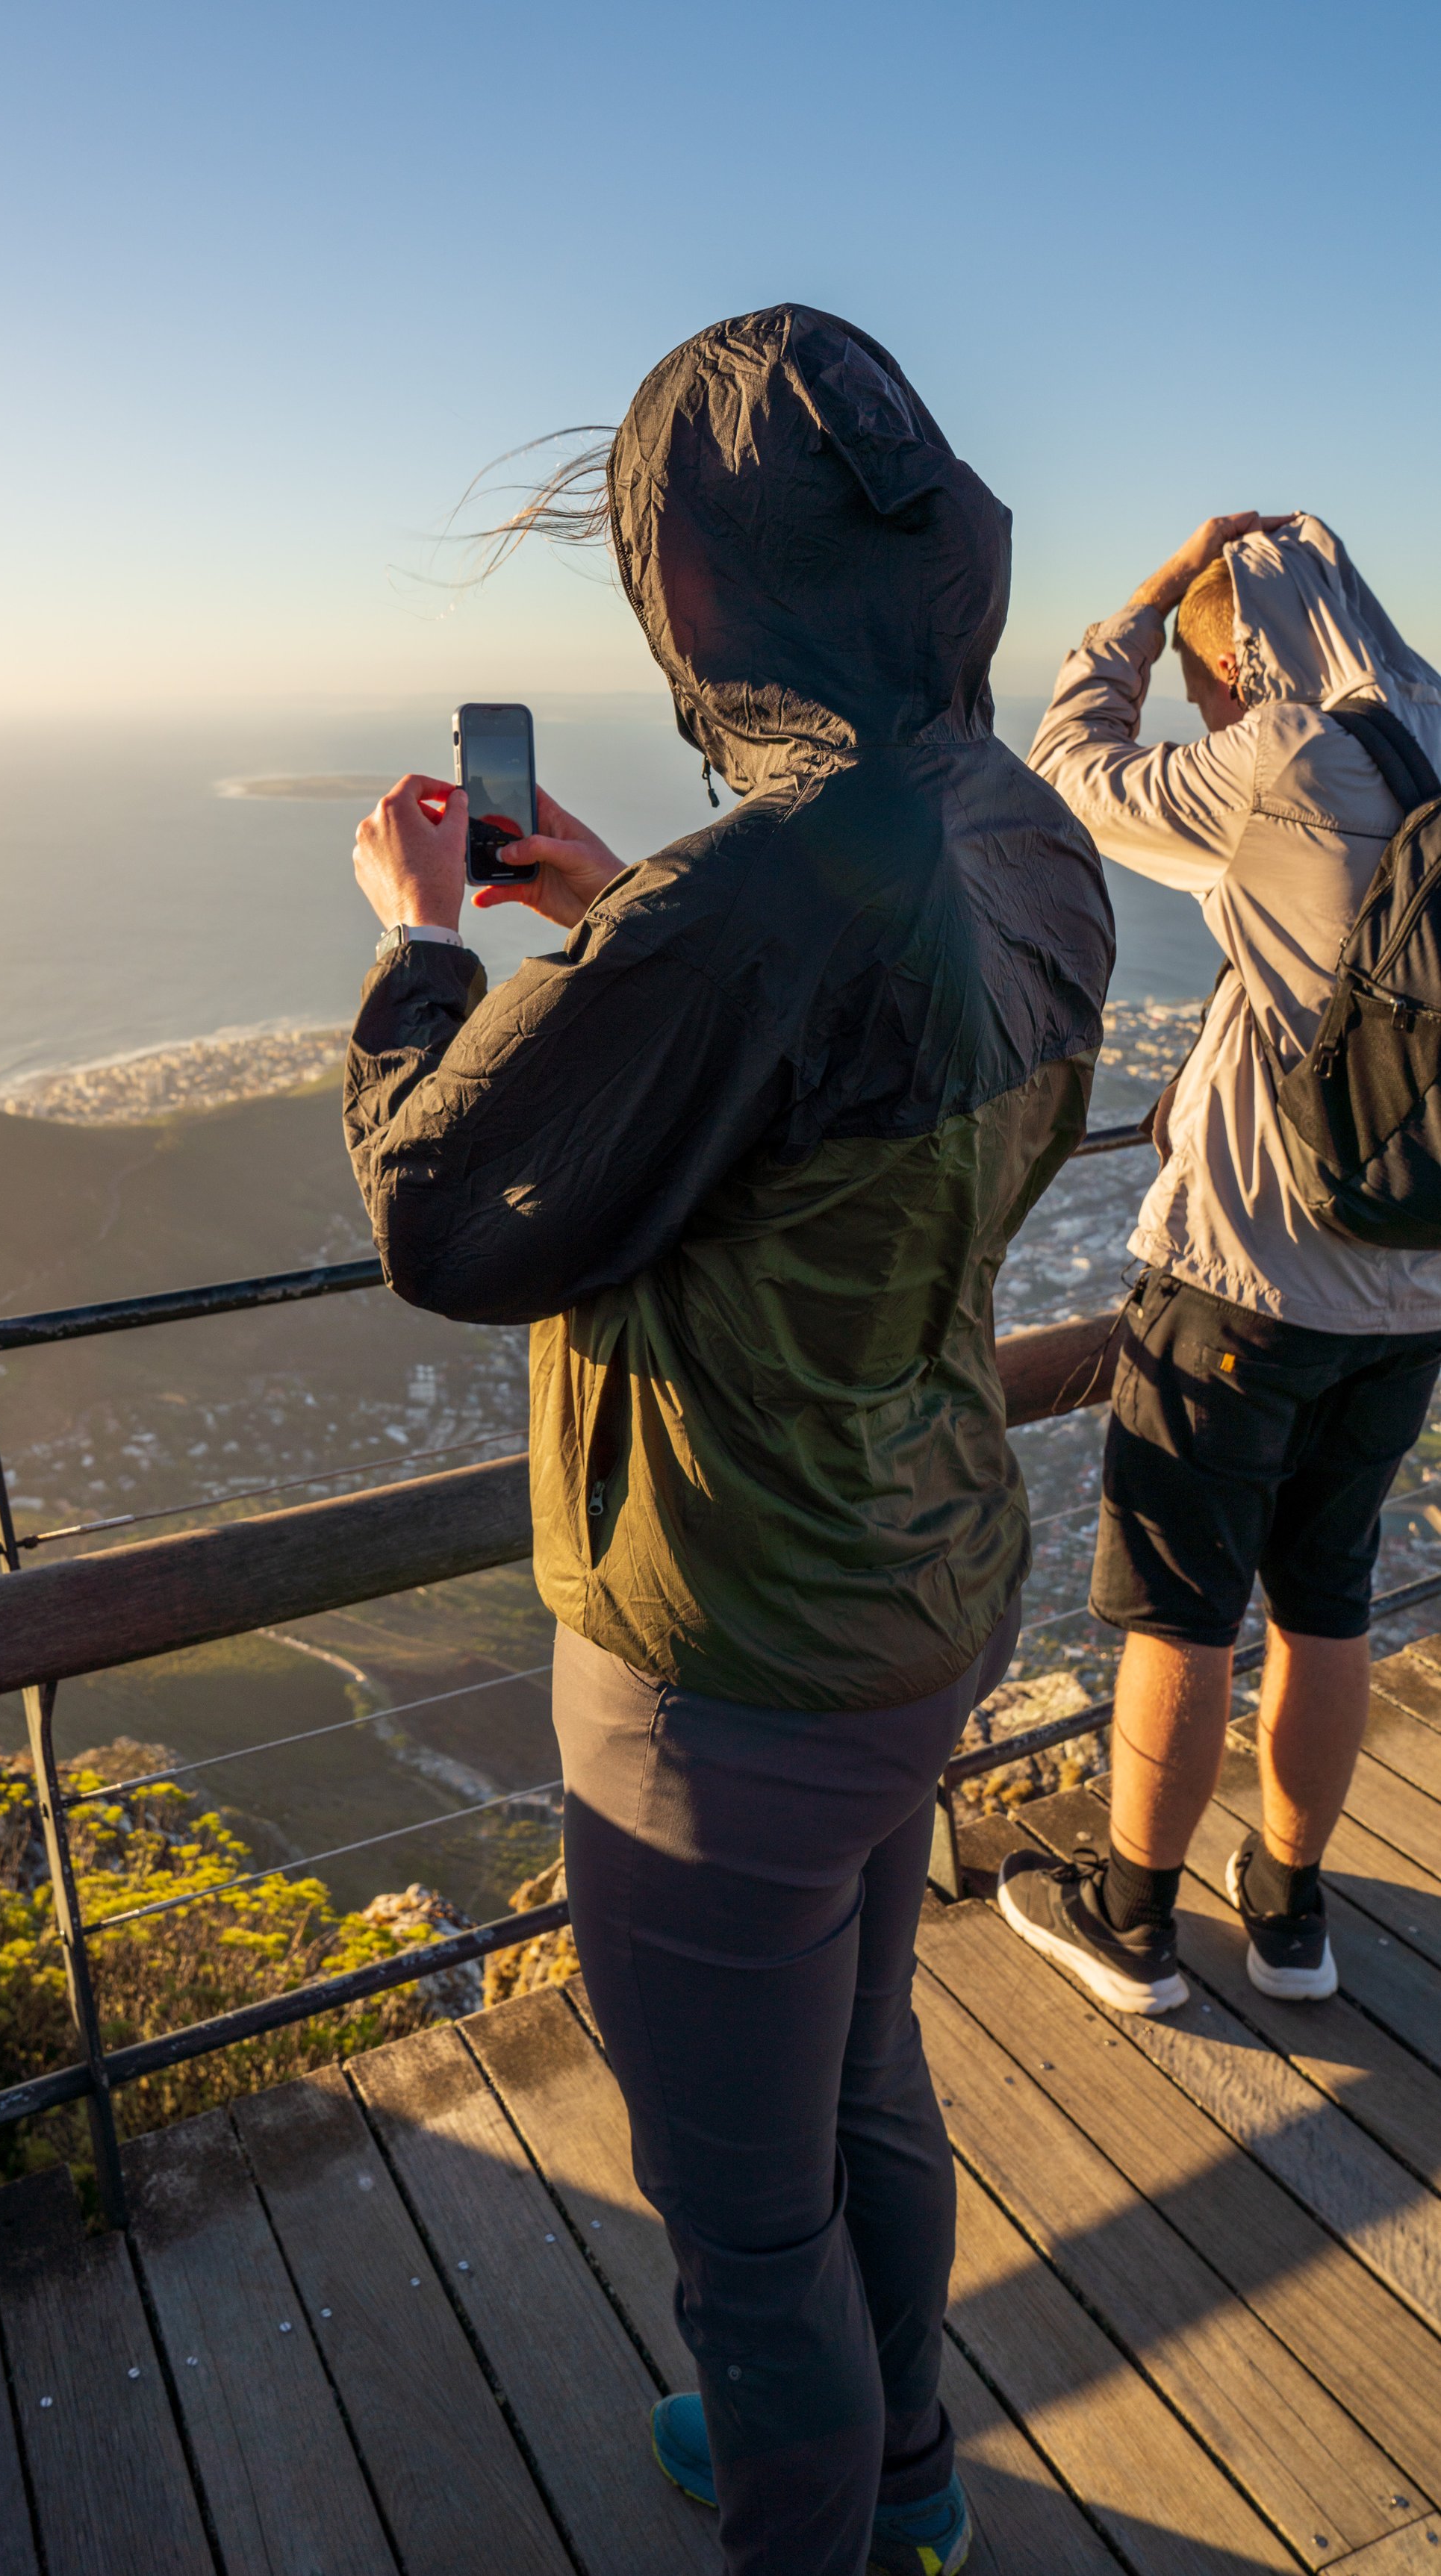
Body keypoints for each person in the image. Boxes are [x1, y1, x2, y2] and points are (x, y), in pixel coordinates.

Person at [340, 305, 1112, 2576]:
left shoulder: (748, 903)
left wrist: (417, 947)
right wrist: (618, 906)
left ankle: (814, 2520)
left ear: (695, 589)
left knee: (736, 2216)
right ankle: (907, 2480)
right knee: (867, 2067)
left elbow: (442, 1210)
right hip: (921, 1581)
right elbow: (855, 1054)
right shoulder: (1010, 830)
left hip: (723, 1663)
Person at [1000, 514, 1441, 2016]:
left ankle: (1128, 1920)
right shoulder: (1433, 728)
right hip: (1417, 1282)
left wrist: (1126, 612)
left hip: (1248, 1272)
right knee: (1327, 1598)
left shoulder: (1284, 759)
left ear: (1239, 652)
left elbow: (1062, 778)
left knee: (1179, 1606)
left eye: (1205, 677)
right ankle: (1288, 1915)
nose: (1206, 711)